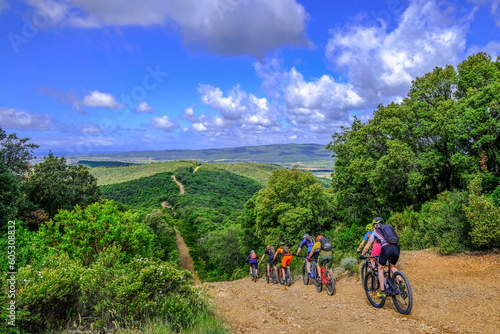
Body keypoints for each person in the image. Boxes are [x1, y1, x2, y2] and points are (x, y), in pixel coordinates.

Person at [360, 217, 401, 297]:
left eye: (373, 225)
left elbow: (366, 247)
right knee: (392, 266)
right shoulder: (389, 228)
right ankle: (401, 281)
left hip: (386, 248)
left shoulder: (375, 232)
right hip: (396, 248)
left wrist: (362, 255)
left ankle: (382, 291)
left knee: (380, 268)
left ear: (375, 225)